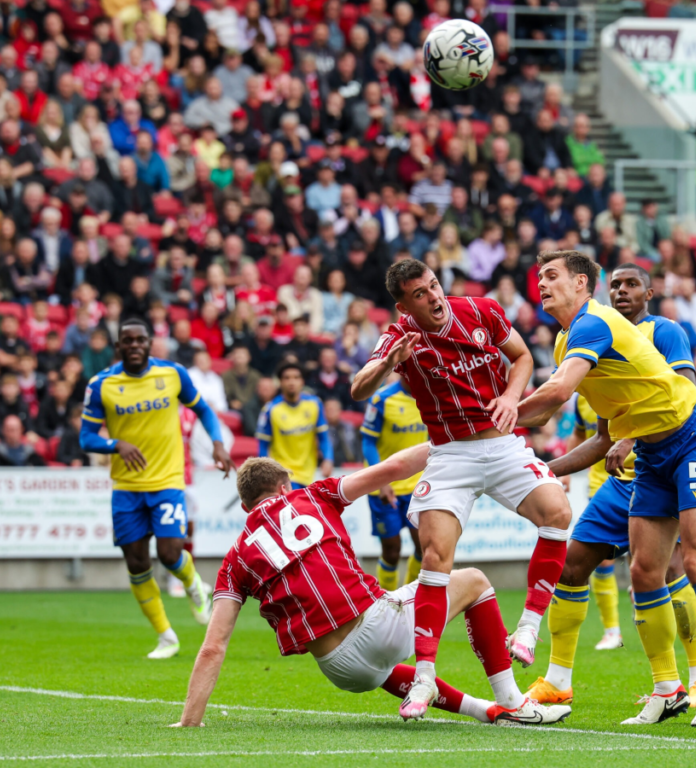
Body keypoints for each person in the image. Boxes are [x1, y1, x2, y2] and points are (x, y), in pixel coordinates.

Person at [172, 455, 571, 728]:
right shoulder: (310, 495)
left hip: (341, 670)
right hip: (377, 627)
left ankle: (487, 711)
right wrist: (457, 446)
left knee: (382, 665)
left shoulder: (235, 557)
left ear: (246, 507)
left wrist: (190, 720)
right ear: (284, 485)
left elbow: (213, 646)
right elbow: (396, 467)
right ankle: (513, 702)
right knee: (475, 582)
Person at [516, 250, 696, 727]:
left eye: (552, 275)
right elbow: (602, 436)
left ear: (580, 283)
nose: (542, 284)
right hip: (650, 460)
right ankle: (667, 689)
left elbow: (554, 395)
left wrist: (498, 421)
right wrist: (541, 470)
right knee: (642, 571)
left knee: (695, 560)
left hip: (693, 440)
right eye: (539, 277)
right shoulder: (566, 342)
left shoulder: (598, 325)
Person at [351, 258, 571, 719]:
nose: (432, 297)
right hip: (451, 455)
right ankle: (425, 678)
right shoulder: (398, 337)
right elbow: (357, 388)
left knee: (558, 513)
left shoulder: (481, 310)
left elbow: (524, 357)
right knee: (434, 558)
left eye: (434, 286)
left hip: (504, 444)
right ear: (403, 304)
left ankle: (529, 627)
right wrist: (388, 364)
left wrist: (511, 398)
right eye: (420, 294)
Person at [80, 318, 232, 659]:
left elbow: (204, 409)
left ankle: (194, 584)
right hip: (126, 487)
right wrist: (116, 444)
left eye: (140, 340)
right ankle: (166, 636)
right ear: (119, 347)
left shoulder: (172, 374)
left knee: (168, 553)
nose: (134, 345)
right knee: (136, 563)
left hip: (167, 482)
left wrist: (219, 445)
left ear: (150, 344)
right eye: (127, 341)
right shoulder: (101, 384)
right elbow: (86, 437)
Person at [361, 379, 427, 592]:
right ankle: (386, 600)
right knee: (391, 550)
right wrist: (382, 480)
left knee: (424, 547)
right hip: (383, 486)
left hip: (419, 485)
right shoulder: (382, 399)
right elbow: (368, 442)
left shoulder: (432, 394)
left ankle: (408, 598)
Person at [256, 360, 334, 489]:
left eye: (296, 377)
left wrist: (328, 459)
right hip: (283, 475)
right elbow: (263, 445)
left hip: (309, 473)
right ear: (280, 382)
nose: (292, 382)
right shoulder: (270, 410)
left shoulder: (315, 404)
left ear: (302, 381)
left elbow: (323, 438)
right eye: (287, 378)